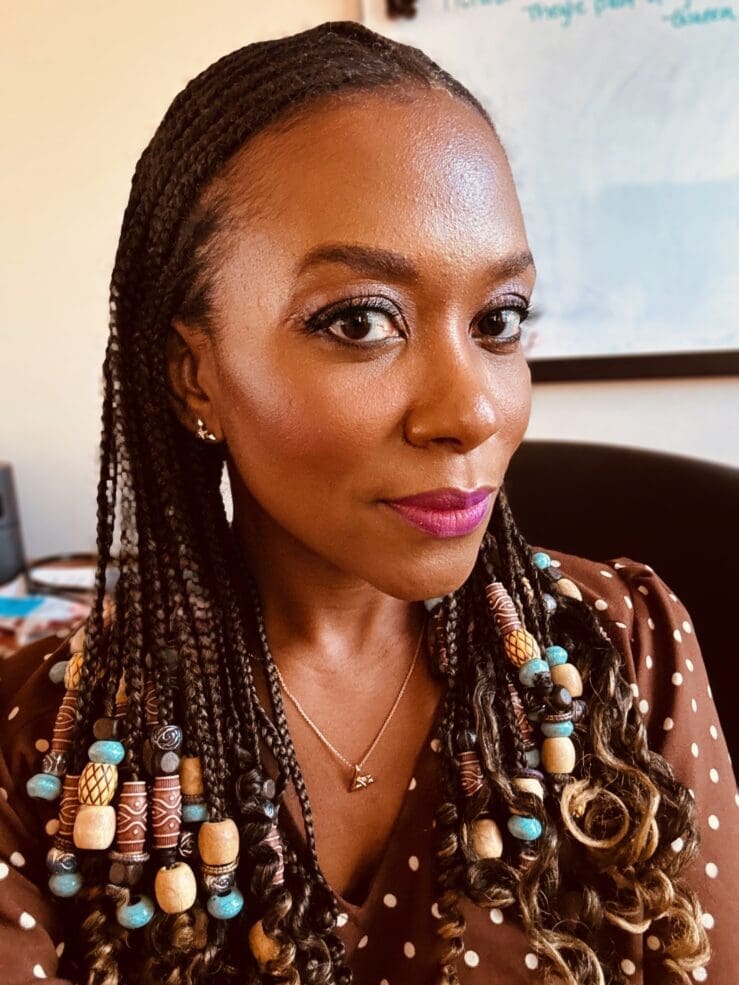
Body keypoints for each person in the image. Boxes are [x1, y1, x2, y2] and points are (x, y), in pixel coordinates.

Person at [0, 20, 734, 985]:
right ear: (194, 376)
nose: (471, 409)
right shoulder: (46, 746)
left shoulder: (621, 651)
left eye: (498, 320)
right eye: (360, 320)